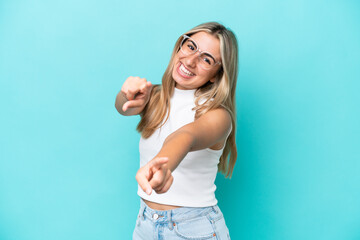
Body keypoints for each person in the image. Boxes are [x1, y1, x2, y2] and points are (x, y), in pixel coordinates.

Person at [115, 21, 238, 239]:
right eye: (191, 47)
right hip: (145, 224)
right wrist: (127, 93)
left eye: (206, 59)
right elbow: (123, 108)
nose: (190, 61)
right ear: (180, 45)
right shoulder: (155, 96)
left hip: (195, 228)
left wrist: (162, 165)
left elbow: (186, 136)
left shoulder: (219, 116)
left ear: (216, 75)